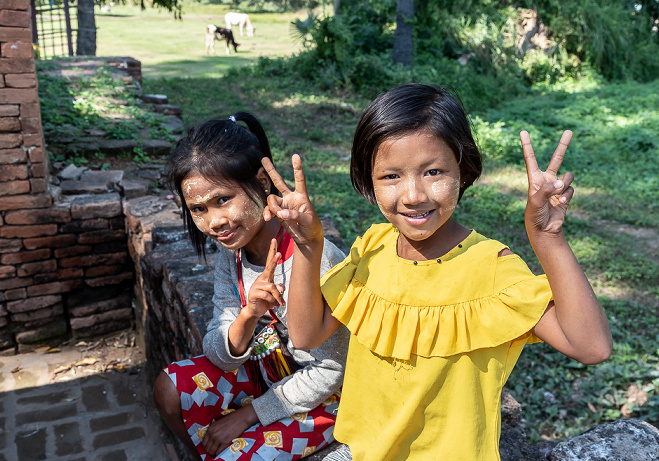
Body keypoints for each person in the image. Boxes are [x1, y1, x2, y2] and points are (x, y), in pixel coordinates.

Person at [261, 84, 613, 460]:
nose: (413, 195)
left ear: (463, 170)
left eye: (432, 171)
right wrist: (309, 246)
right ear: (369, 180)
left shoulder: (490, 267)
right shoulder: (372, 247)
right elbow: (305, 332)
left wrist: (548, 239)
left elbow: (591, 346)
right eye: (391, 176)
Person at [153, 113, 350, 461]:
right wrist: (248, 315)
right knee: (169, 389)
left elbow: (331, 371)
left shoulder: (314, 257)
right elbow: (218, 349)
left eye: (222, 200)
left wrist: (248, 415)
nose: (214, 222)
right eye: (198, 209)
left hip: (327, 397)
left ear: (261, 182)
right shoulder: (232, 251)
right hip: (270, 367)